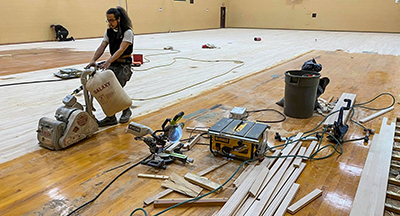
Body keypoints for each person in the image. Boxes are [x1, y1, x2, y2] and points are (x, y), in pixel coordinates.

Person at [85, 7, 134, 127]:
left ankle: (126, 110)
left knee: (117, 91)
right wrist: (93, 60)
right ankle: (111, 117)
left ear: (118, 19)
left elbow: (121, 50)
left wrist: (109, 61)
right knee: (107, 90)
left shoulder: (127, 32)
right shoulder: (109, 32)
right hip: (113, 64)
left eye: (112, 20)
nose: (110, 23)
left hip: (123, 66)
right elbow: (102, 47)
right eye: (108, 20)